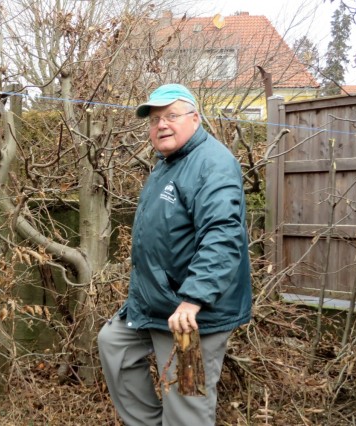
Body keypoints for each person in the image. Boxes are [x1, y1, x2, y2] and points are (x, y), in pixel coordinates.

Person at [97, 84, 252, 426]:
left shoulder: (212, 164)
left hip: (192, 314)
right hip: (156, 305)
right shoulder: (169, 163)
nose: (161, 125)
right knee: (115, 345)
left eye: (171, 116)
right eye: (154, 120)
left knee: (187, 402)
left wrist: (193, 300)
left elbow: (223, 236)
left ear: (195, 118)